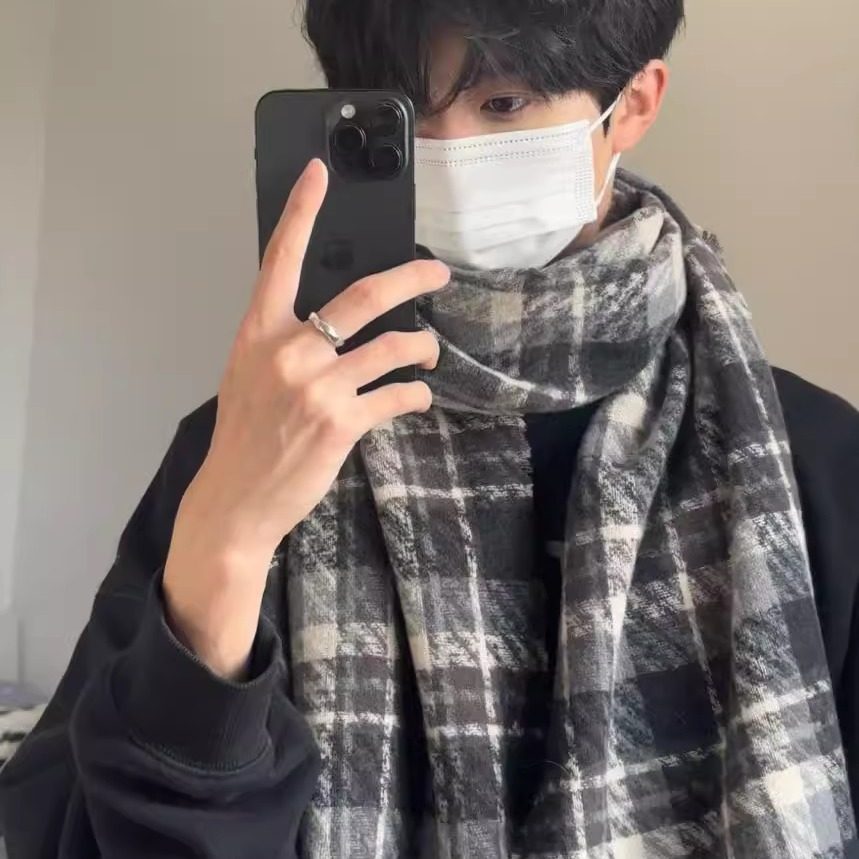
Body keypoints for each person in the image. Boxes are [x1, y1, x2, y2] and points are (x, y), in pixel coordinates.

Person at [2, 1, 859, 856]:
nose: (445, 155)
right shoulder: (252, 442)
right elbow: (63, 831)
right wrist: (225, 551)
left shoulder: (803, 461)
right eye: (403, 111)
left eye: (503, 103)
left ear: (632, 102)